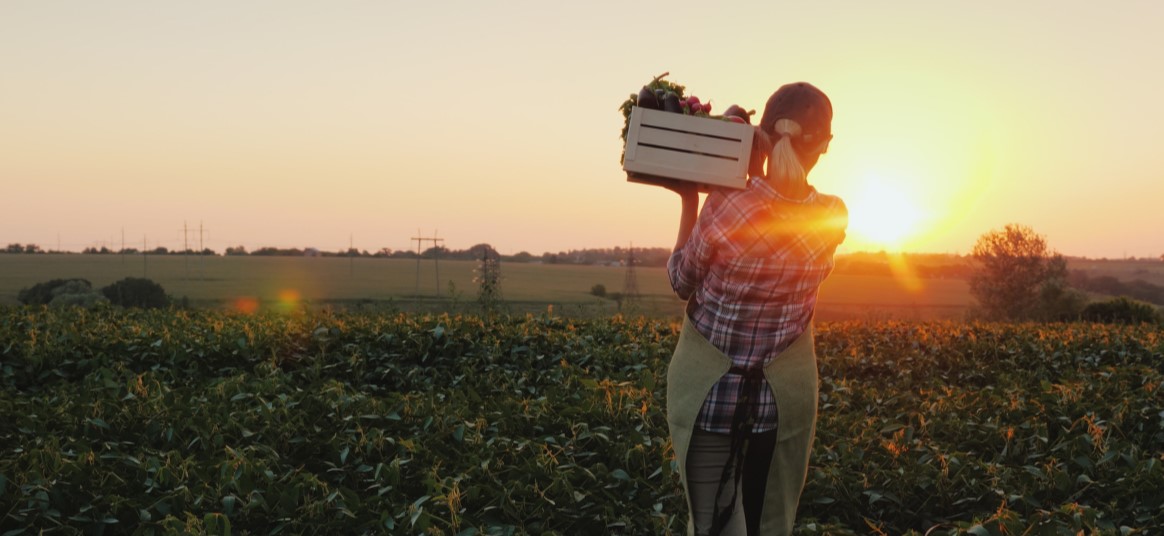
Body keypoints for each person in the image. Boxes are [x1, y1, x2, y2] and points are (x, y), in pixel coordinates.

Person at [664, 82, 847, 536]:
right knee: (767, 523)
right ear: (823, 147)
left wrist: (691, 197)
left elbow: (680, 280)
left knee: (709, 526)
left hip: (709, 402)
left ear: (760, 136)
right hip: (778, 407)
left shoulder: (727, 206)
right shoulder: (833, 216)